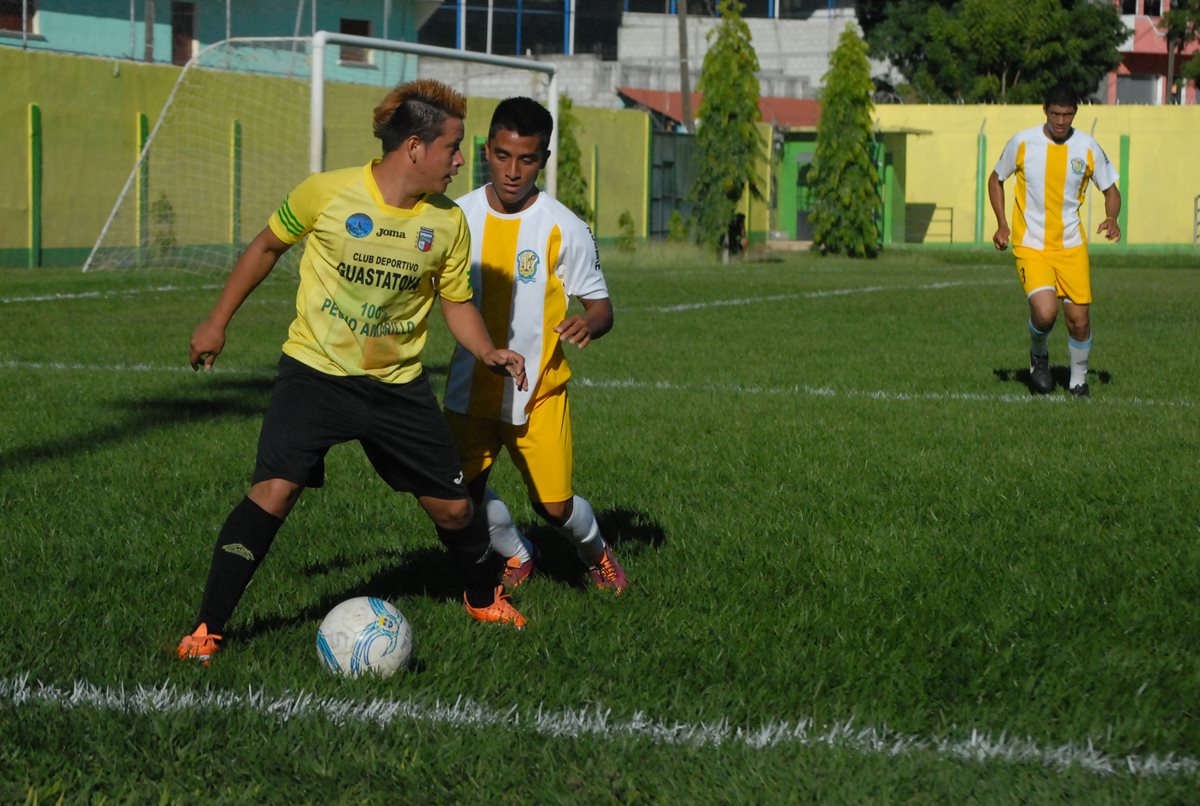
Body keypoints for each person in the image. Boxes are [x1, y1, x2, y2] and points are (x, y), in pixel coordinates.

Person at [177, 79, 530, 665]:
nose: (462, 160)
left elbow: (456, 301)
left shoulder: (446, 223)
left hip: (396, 386)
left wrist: (487, 349)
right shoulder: (327, 192)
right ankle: (208, 628)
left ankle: (481, 597)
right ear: (414, 147)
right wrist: (217, 320)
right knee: (275, 491)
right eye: (453, 146)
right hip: (314, 374)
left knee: (453, 508)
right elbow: (267, 247)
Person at [442, 96, 627, 594]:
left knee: (555, 507)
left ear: (543, 159)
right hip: (469, 387)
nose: (512, 170)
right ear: (486, 151)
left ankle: (596, 555)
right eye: (502, 156)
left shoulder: (565, 226)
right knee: (461, 497)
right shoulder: (455, 217)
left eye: (526, 159)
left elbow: (601, 305)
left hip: (538, 390)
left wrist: (590, 321)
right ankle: (517, 552)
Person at [988, 85, 1121, 398]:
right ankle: (1039, 354)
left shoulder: (1087, 147)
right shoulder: (1022, 142)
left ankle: (1078, 382)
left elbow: (1110, 190)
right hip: (1031, 245)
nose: (1061, 121)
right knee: (1046, 313)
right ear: (1045, 111)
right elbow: (996, 178)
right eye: (1055, 114)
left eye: (1068, 114)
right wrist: (1002, 224)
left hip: (1071, 246)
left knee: (1079, 320)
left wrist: (1112, 218)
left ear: (1075, 113)